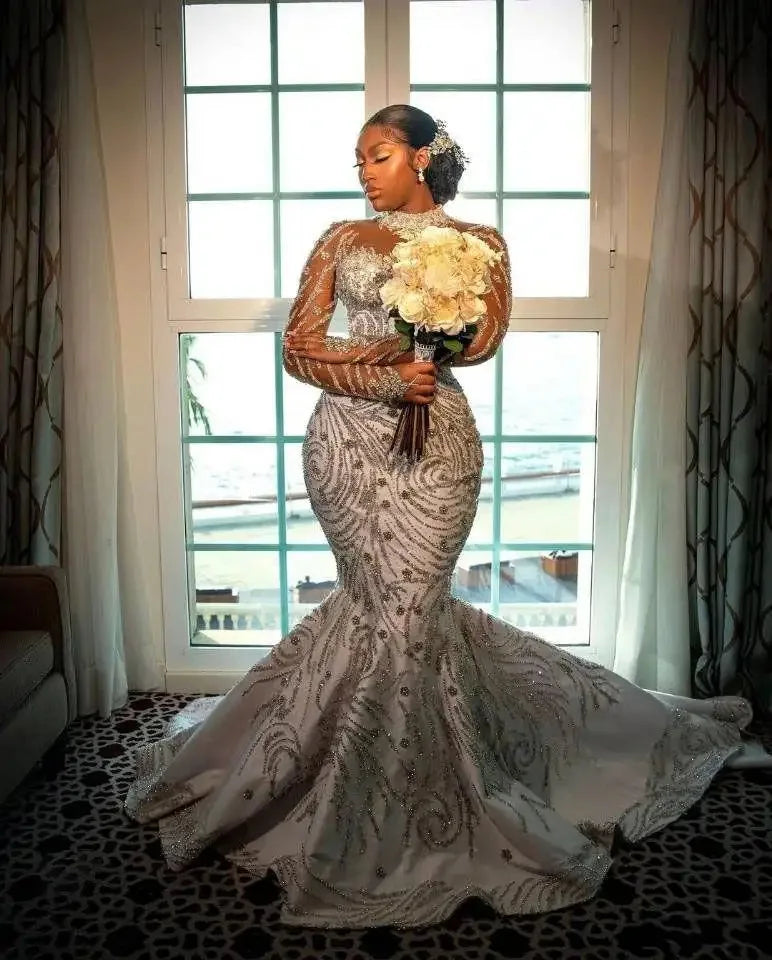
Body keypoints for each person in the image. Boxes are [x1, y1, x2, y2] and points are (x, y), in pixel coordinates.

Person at [125, 104, 764, 930]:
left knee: (411, 613)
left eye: (379, 155)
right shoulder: (340, 241)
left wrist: (436, 342)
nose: (364, 171)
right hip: (346, 450)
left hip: (439, 452)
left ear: (422, 159)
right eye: (358, 158)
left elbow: (488, 337)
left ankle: (416, 795)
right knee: (377, 611)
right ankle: (346, 788)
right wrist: (393, 365)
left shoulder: (480, 245)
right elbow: (298, 348)